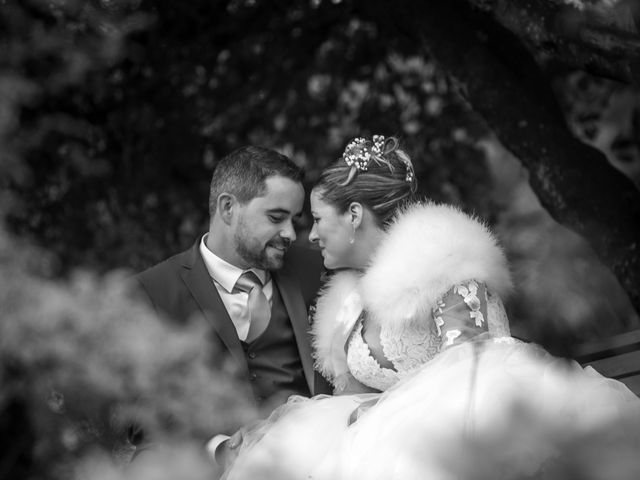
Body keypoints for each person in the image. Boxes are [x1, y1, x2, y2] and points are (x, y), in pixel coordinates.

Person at [223, 135, 640, 480]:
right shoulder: (349, 304)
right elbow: (349, 399)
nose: (309, 235)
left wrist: (380, 424)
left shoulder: (445, 270)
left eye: (316, 219)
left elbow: (478, 378)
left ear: (353, 215)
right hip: (378, 448)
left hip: (464, 441)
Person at [134, 146, 331, 460]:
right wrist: (218, 448)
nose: (291, 233)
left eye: (295, 220)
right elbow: (142, 421)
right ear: (228, 208)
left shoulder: (318, 271)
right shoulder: (153, 291)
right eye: (276, 217)